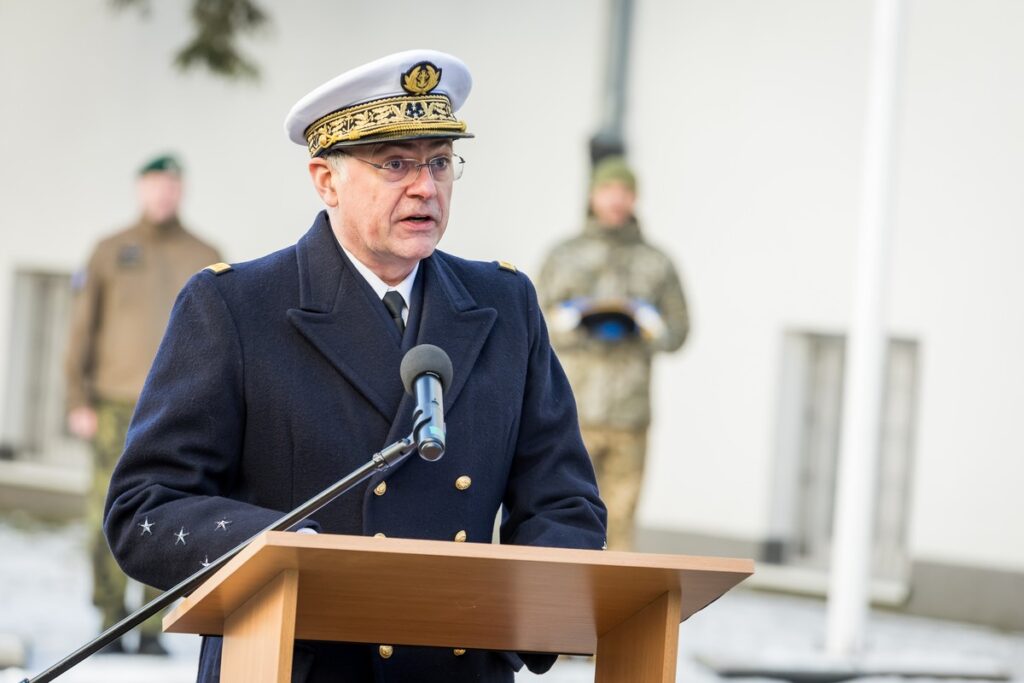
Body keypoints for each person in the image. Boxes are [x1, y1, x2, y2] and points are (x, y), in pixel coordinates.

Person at [103, 49, 606, 682]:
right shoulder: (236, 307)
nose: (425, 186)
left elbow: (563, 501)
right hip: (297, 663)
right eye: (396, 163)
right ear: (325, 179)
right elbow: (145, 506)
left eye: (440, 162)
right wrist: (284, 554)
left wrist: (537, 607)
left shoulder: (504, 306)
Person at [64, 154, 221, 655]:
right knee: (105, 513)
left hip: (178, 404)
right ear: (141, 189)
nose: (164, 195)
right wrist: (77, 398)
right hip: (113, 405)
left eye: (172, 186)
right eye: (156, 185)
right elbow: (81, 332)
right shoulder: (110, 251)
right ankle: (111, 618)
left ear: (182, 191)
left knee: (168, 513)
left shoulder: (205, 252)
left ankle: (154, 626)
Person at [538, 156, 689, 551]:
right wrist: (574, 321)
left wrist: (646, 324)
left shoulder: (656, 261)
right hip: (572, 411)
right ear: (592, 195)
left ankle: (613, 609)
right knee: (560, 511)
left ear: (635, 198)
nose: (616, 200)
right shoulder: (563, 255)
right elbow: (534, 323)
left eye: (624, 192)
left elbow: (679, 332)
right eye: (608, 190)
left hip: (629, 415)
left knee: (620, 519)